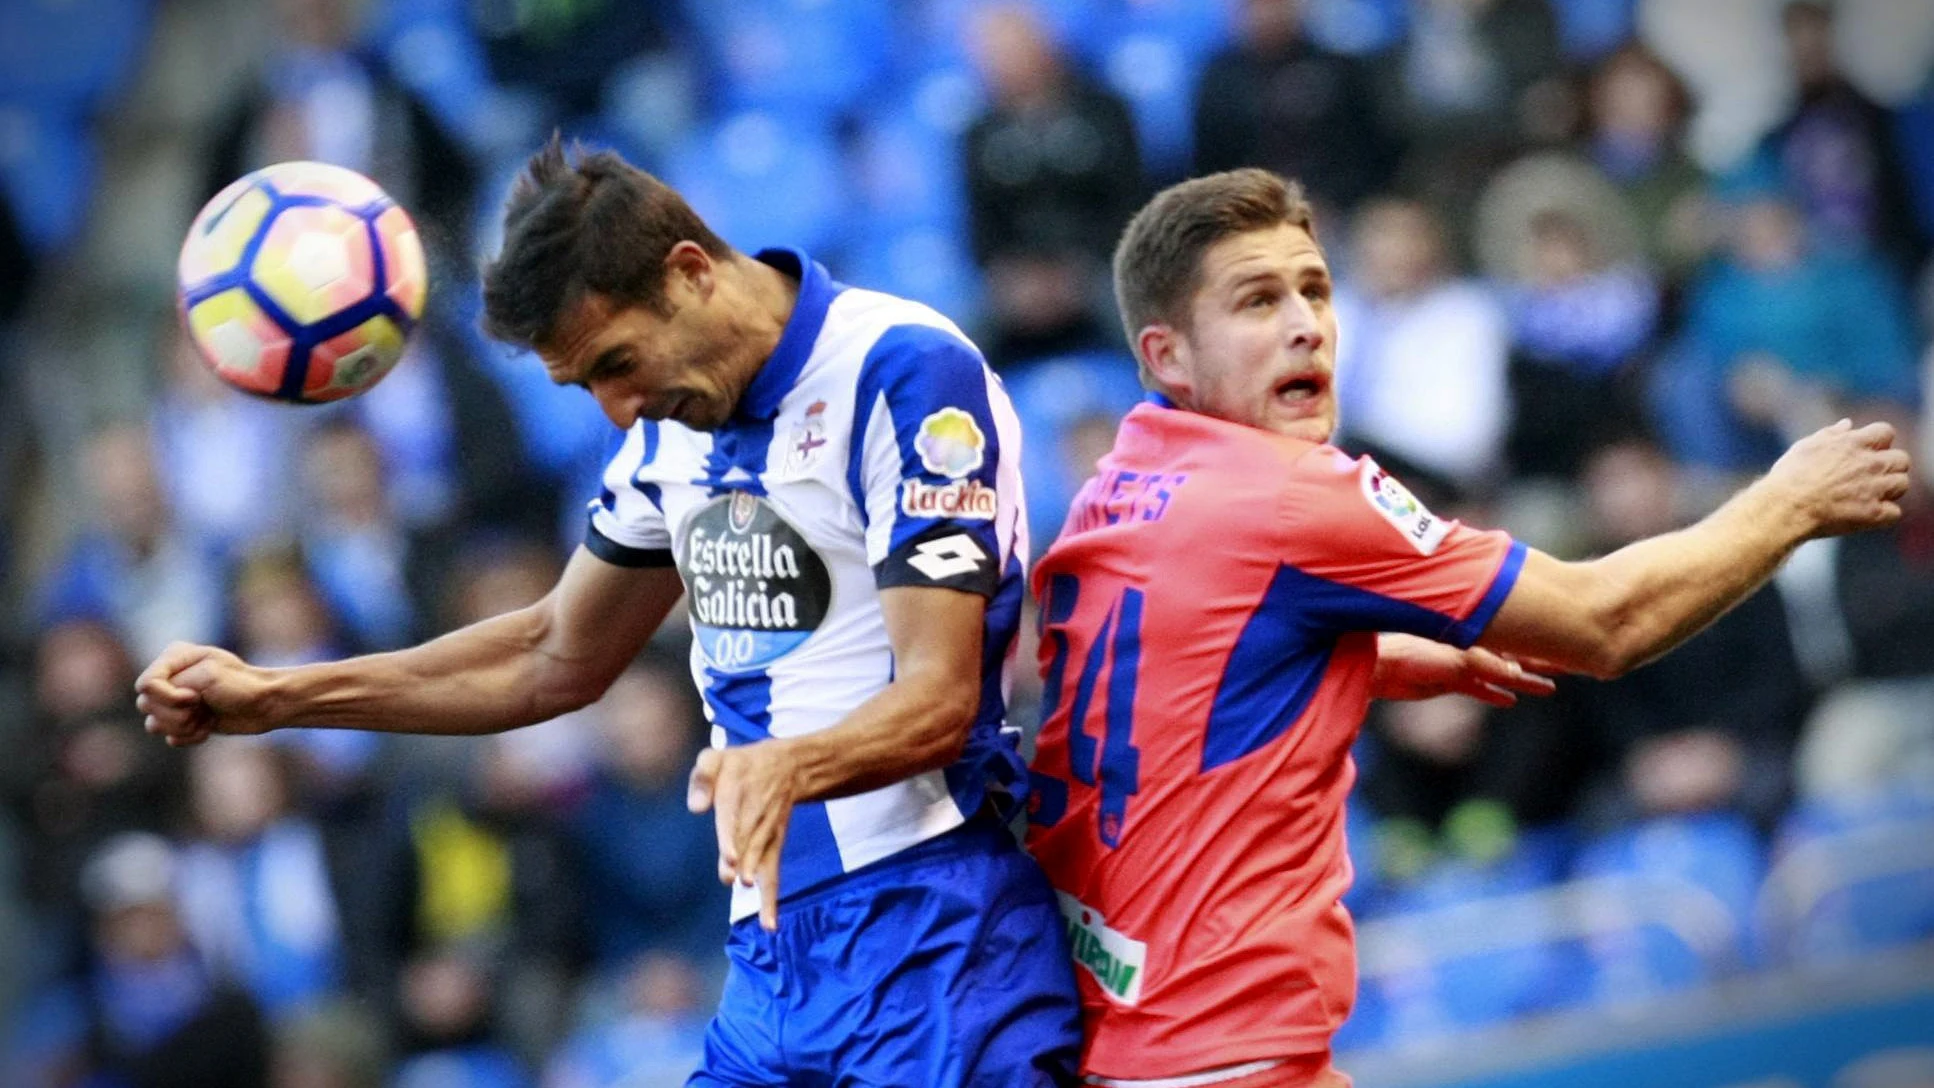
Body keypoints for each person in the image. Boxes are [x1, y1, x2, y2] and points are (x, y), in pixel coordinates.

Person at [138, 138, 1082, 1085]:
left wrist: (793, 765)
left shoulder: (902, 371)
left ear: (689, 272)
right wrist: (279, 697)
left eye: (617, 363)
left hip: (934, 928)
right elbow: (553, 653)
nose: (619, 412)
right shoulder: (672, 431)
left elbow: (942, 692)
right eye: (584, 386)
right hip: (770, 953)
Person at [1022, 168, 1911, 1087]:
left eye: (1316, 289)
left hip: (1128, 1035)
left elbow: (1169, 677)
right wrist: (1788, 500)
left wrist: (1360, 658)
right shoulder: (1292, 494)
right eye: (1257, 300)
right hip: (1229, 1049)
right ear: (1167, 356)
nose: (1305, 325)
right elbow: (1606, 621)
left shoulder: (1113, 488)